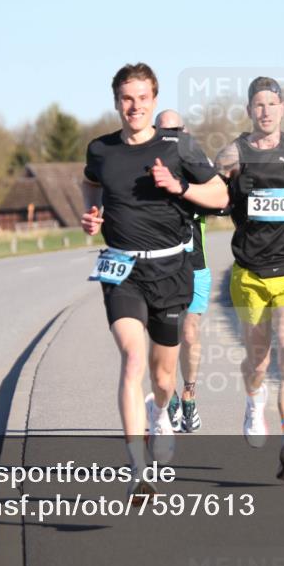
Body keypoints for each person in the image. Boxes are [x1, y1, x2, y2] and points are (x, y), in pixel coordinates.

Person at [81, 64, 228, 498]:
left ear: (154, 100)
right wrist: (91, 214)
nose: (135, 106)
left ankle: (161, 413)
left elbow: (220, 196)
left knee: (163, 378)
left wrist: (179, 187)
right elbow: (88, 183)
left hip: (169, 268)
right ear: (116, 102)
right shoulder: (101, 149)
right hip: (120, 267)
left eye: (143, 98)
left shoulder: (178, 146)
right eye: (127, 98)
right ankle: (137, 467)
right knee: (132, 359)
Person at [215, 77, 284, 481]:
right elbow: (213, 194)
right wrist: (222, 198)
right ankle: (253, 398)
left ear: (282, 108)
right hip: (250, 273)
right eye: (257, 104)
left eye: (272, 103)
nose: (265, 110)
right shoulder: (231, 154)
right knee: (258, 361)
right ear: (249, 111)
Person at [155, 109, 207, 433]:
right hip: (160, 270)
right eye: (163, 132)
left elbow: (220, 198)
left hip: (195, 264)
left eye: (175, 131)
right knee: (165, 339)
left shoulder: (197, 167)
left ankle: (189, 394)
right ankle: (169, 397)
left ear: (184, 131)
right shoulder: (148, 171)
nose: (170, 136)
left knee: (189, 334)